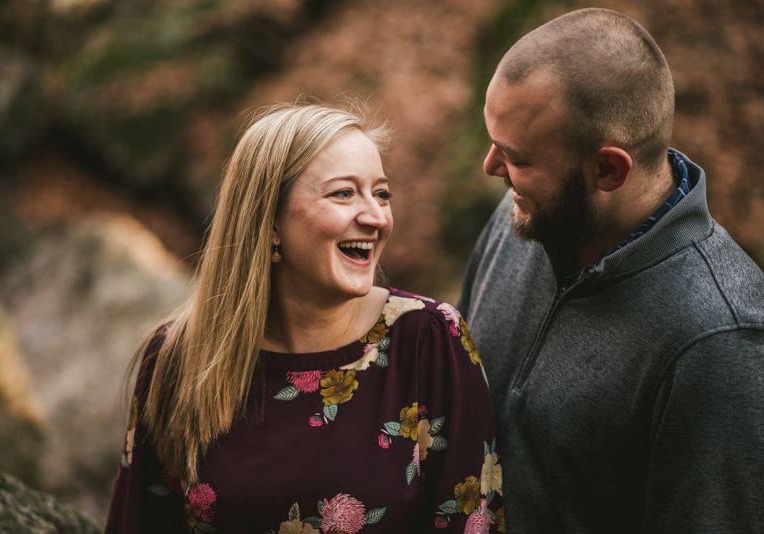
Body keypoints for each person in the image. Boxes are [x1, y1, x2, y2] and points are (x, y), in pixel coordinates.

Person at [105, 101, 505, 533]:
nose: (376, 217)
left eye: (382, 193)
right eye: (344, 193)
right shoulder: (178, 359)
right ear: (269, 221)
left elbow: (471, 522)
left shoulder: (428, 340)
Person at [458, 7, 764, 533]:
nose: (491, 168)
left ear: (608, 168)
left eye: (518, 157)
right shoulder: (525, 217)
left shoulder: (717, 342)